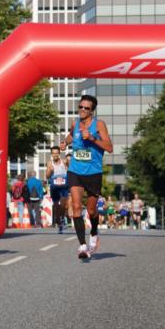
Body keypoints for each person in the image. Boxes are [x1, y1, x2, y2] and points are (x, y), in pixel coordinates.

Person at [60, 94, 113, 260]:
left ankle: (94, 232)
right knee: (76, 206)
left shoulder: (99, 125)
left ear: (92, 111)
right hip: (75, 170)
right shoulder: (75, 123)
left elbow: (109, 147)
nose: (82, 110)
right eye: (80, 107)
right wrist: (65, 142)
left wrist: (92, 138)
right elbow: (71, 135)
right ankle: (82, 245)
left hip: (93, 172)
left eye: (86, 108)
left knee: (91, 210)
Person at [47, 146, 70, 234]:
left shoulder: (64, 162)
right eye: (53, 153)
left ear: (59, 154)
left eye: (57, 153)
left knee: (63, 205)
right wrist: (50, 171)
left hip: (64, 186)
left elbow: (70, 169)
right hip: (54, 187)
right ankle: (59, 222)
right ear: (51, 154)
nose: (55, 155)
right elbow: (47, 176)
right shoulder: (49, 163)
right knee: (56, 206)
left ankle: (61, 218)